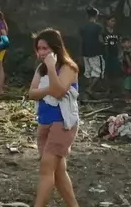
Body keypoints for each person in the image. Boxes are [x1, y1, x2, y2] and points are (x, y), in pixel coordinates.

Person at [28, 28, 81, 207]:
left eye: (45, 48)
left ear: (55, 48)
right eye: (39, 48)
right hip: (44, 122)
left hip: (62, 123)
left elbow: (58, 92)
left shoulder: (68, 67)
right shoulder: (40, 68)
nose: (41, 52)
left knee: (46, 169)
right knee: (58, 171)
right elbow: (31, 93)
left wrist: (51, 68)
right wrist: (48, 89)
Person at [79, 7, 105, 98]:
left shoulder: (83, 27)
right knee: (98, 73)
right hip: (95, 52)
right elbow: (100, 39)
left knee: (89, 72)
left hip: (86, 52)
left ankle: (90, 91)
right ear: (96, 16)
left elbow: (82, 40)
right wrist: (104, 45)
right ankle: (90, 88)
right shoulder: (98, 27)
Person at [103, 15, 121, 92]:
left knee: (115, 71)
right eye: (111, 21)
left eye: (114, 21)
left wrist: (120, 53)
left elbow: (119, 43)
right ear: (107, 21)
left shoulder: (116, 32)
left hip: (115, 54)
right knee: (106, 72)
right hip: (106, 54)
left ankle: (115, 87)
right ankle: (107, 88)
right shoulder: (103, 32)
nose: (113, 23)